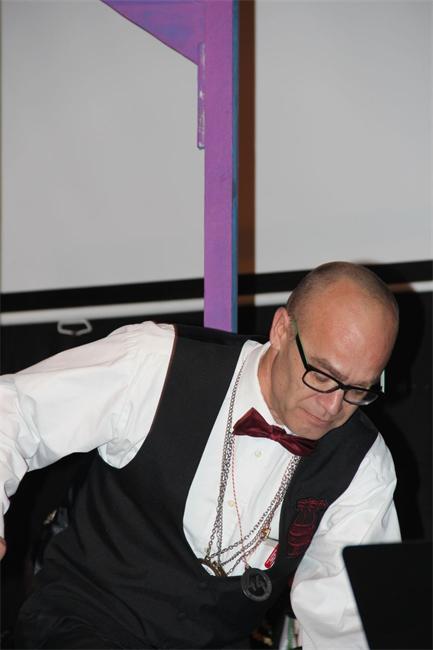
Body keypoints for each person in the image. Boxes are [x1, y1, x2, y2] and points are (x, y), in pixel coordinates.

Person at [0, 261, 400, 649]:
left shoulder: (362, 464)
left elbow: (346, 622)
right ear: (281, 329)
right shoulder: (157, 363)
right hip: (84, 622)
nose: (332, 406)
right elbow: (17, 411)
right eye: (322, 375)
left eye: (358, 390)